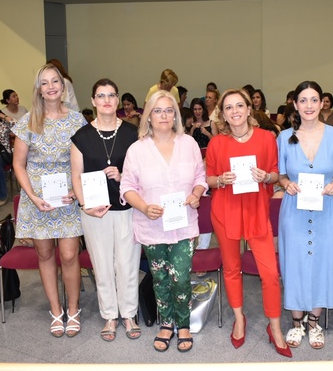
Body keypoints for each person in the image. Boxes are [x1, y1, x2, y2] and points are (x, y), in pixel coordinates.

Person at [205, 89, 291, 358]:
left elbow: (276, 174)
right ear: (223, 113)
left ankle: (274, 327)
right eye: (228, 107)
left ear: (249, 109)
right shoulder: (217, 143)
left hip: (256, 211)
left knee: (270, 274)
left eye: (239, 105)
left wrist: (266, 177)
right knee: (232, 269)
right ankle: (239, 319)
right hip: (225, 210)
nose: (235, 111)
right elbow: (208, 179)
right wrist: (221, 180)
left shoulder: (267, 138)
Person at [120, 90, 207, 353]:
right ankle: (166, 323)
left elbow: (200, 177)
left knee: (180, 278)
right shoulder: (137, 150)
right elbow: (127, 187)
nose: (164, 115)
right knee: (160, 279)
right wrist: (145, 207)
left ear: (176, 115)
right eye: (157, 110)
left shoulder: (188, 144)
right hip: (152, 225)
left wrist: (196, 194)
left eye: (169, 110)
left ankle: (183, 324)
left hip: (183, 223)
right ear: (148, 115)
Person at [12, 63, 86, 338]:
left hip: (67, 196)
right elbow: (18, 164)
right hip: (38, 198)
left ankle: (74, 309)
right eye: (45, 82)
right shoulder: (28, 121)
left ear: (63, 86)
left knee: (68, 255)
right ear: (39, 89)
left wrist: (77, 191)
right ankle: (56, 311)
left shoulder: (78, 120)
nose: (51, 86)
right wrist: (31, 196)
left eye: (56, 81)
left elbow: (86, 160)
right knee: (45, 255)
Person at [277, 81, 333, 350]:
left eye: (314, 100)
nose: (309, 105)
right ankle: (296, 322)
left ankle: (314, 322)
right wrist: (286, 184)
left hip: (327, 208)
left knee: (323, 261)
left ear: (322, 103)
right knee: (294, 261)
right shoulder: (284, 137)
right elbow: (281, 174)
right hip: (294, 209)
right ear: (295, 104)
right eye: (303, 100)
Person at [70, 78, 141, 342]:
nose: (106, 100)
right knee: (102, 264)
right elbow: (76, 176)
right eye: (101, 96)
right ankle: (110, 315)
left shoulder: (133, 133)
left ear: (118, 99)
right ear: (93, 101)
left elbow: (141, 173)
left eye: (111, 95)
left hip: (126, 208)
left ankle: (129, 314)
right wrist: (84, 205)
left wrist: (123, 177)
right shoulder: (81, 137)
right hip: (95, 211)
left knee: (128, 264)